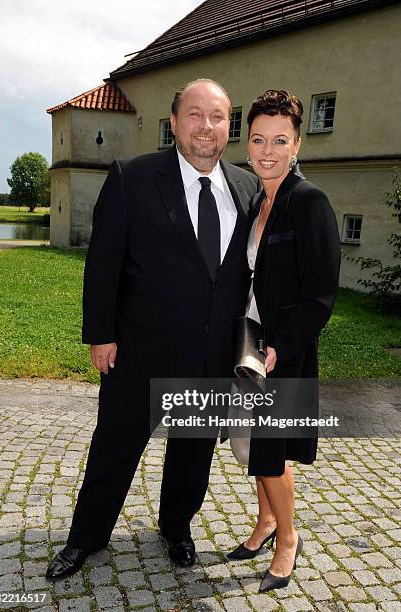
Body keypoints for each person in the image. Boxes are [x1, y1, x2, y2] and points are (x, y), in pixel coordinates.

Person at [46, 78, 259, 581]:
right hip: (139, 350)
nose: (206, 127)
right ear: (174, 122)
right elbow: (103, 265)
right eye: (194, 115)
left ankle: (176, 528)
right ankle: (85, 539)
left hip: (210, 357)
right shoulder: (132, 177)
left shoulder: (247, 187)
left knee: (194, 452)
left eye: (218, 116)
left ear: (229, 125)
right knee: (114, 449)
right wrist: (101, 334)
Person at [226, 90, 341, 593]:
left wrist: (282, 346)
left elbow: (321, 294)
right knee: (250, 445)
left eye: (279, 139)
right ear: (246, 142)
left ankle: (288, 539)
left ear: (297, 143)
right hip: (249, 337)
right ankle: (264, 522)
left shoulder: (308, 201)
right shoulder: (257, 199)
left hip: (282, 349)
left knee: (271, 451)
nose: (266, 150)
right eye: (257, 139)